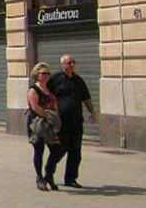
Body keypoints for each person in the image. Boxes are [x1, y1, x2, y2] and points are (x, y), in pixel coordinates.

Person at [45, 53, 97, 189]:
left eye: (74, 62)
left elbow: (86, 98)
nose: (72, 65)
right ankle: (48, 174)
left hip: (76, 121)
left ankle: (71, 178)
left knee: (75, 152)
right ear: (62, 64)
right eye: (69, 62)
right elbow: (45, 95)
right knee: (60, 149)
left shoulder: (78, 80)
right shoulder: (54, 79)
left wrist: (92, 112)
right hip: (61, 122)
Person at [26, 62, 61, 191]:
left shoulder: (49, 89)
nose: (46, 75)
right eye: (43, 73)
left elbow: (55, 105)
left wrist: (55, 118)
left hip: (50, 125)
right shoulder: (33, 89)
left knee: (56, 150)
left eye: (48, 73)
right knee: (39, 150)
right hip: (37, 124)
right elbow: (35, 106)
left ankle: (49, 175)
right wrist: (48, 116)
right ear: (37, 74)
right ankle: (39, 177)